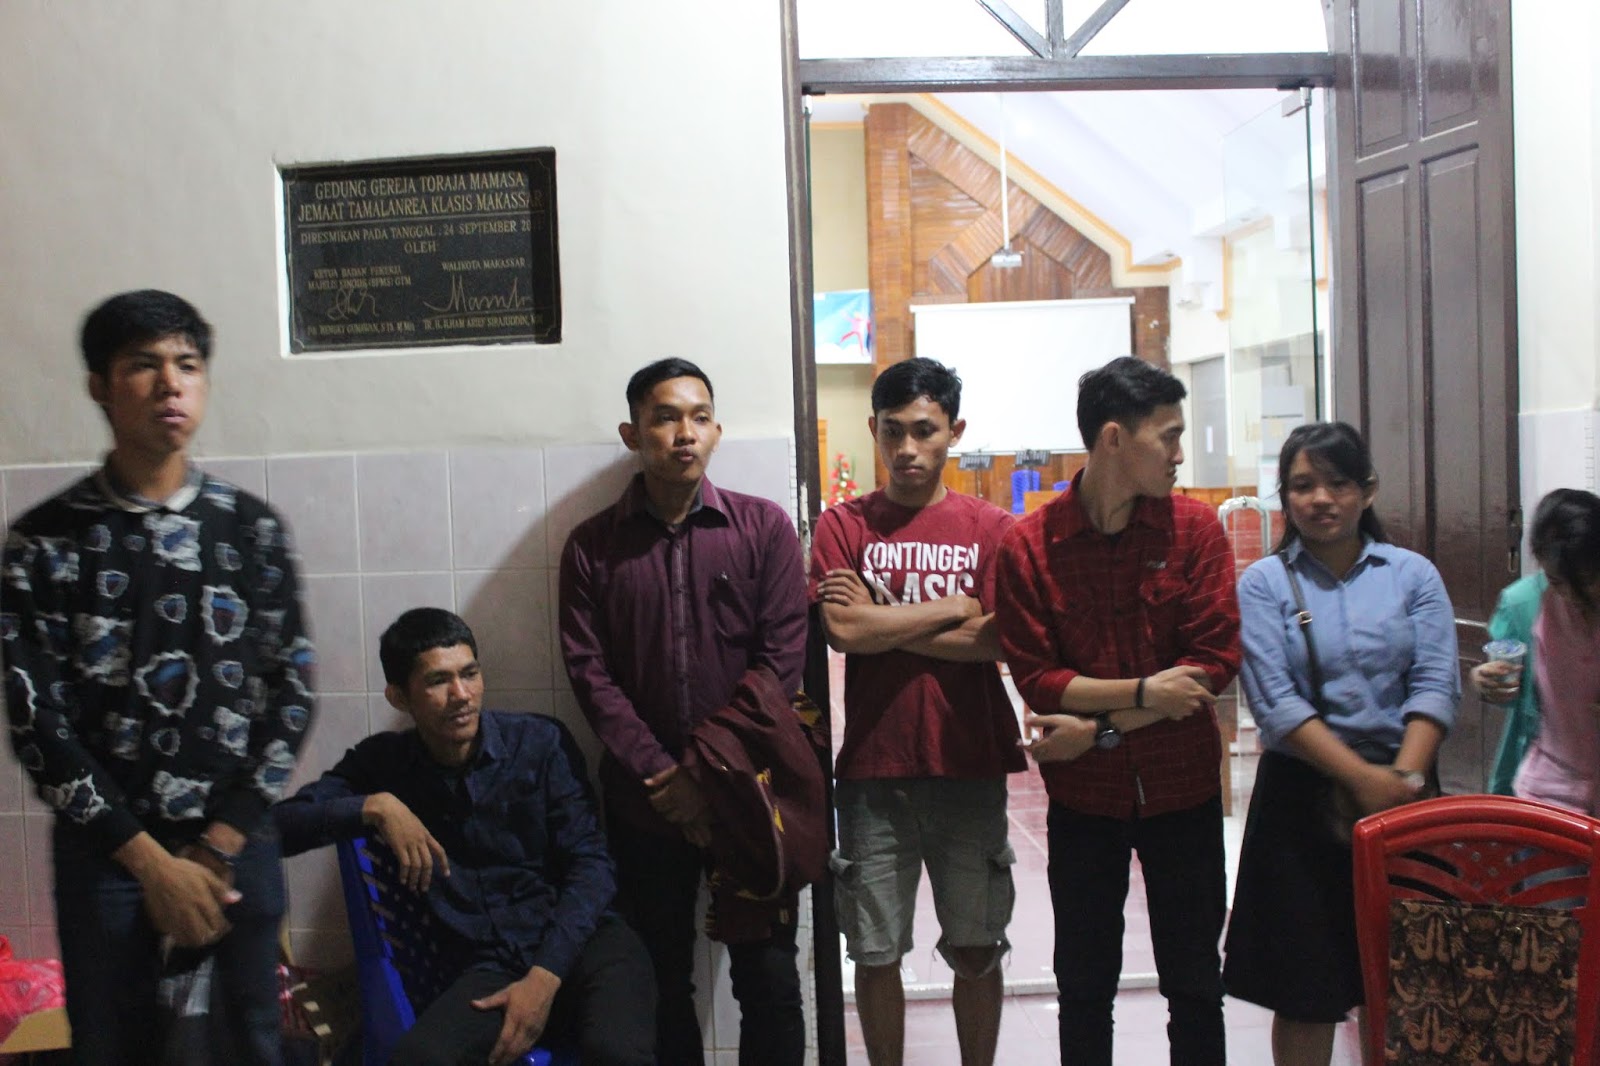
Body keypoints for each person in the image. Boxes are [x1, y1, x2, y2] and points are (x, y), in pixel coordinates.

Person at [1, 290, 314, 1066]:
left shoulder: (250, 531)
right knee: (114, 1049)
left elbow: (293, 694)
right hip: (109, 857)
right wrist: (150, 864)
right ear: (100, 386)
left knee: (251, 1043)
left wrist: (215, 847)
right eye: (144, 365)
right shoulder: (45, 543)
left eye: (188, 364)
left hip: (234, 846)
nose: (171, 384)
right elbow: (38, 725)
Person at [558, 357, 811, 1066]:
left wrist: (704, 775)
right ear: (632, 433)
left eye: (699, 417)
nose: (684, 433)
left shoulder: (763, 529)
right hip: (647, 807)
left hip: (752, 797)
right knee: (661, 984)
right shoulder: (592, 547)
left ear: (717, 431)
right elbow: (590, 675)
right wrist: (668, 780)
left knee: (770, 983)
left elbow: (779, 665)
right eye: (665, 418)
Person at [993, 355, 1240, 1066]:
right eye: (1168, 435)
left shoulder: (1195, 530)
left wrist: (1098, 727)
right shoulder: (1029, 546)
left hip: (1183, 793)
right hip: (1085, 803)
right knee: (1084, 985)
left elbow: (1210, 665)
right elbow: (1040, 681)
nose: (1179, 453)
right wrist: (1144, 694)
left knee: (1196, 983)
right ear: (1113, 439)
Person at [274, 608, 656, 1066]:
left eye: (469, 674)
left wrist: (544, 978)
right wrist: (376, 806)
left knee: (616, 1051)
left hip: (584, 943)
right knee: (417, 1059)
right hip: (491, 967)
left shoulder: (540, 743)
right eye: (438, 681)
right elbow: (279, 828)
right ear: (399, 697)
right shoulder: (385, 765)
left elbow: (592, 868)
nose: (461, 695)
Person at [1223, 421, 1458, 1066]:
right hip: (1303, 798)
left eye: (1337, 483)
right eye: (1303, 486)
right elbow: (1276, 704)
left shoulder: (1412, 575)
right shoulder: (1264, 583)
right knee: (1306, 989)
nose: (1320, 498)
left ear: (1367, 490)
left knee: (1411, 979)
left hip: (1407, 792)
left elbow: (1436, 683)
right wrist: (1365, 782)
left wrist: (1402, 781)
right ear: (1284, 496)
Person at [811, 357, 1024, 1066]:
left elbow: (999, 639)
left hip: (970, 762)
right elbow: (843, 629)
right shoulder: (844, 525)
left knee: (977, 948)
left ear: (954, 432)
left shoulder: (993, 528)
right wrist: (953, 607)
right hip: (873, 771)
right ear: (873, 429)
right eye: (892, 431)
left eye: (924, 431)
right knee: (874, 953)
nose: (906, 448)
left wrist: (886, 619)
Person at [1471, 488, 1600, 814]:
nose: (1571, 595)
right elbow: (1515, 695)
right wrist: (1487, 682)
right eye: (1557, 582)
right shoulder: (1524, 604)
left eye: (1586, 580)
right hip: (1550, 790)